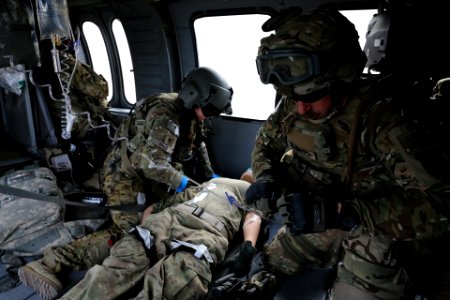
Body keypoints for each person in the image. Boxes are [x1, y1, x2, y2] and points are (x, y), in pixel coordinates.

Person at [243, 7, 450, 299]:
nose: (302, 109)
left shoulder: (384, 119)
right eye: (293, 97)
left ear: (342, 79)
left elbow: (441, 204)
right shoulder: (295, 103)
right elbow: (266, 142)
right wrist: (264, 178)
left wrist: (348, 213)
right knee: (264, 267)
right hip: (324, 219)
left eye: (312, 96)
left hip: (377, 229)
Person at [17, 66, 234, 300]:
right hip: (124, 174)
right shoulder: (165, 113)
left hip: (151, 177)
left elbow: (197, 143)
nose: (208, 116)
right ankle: (51, 262)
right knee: (130, 234)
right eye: (209, 110)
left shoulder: (191, 113)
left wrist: (210, 175)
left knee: (157, 224)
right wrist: (183, 182)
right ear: (193, 95)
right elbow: (152, 164)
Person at [50, 177, 259, 300]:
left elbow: (253, 216)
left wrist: (248, 245)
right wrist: (145, 229)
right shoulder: (210, 183)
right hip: (178, 219)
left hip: (202, 228)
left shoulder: (247, 190)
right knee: (132, 257)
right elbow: (163, 204)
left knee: (172, 276)